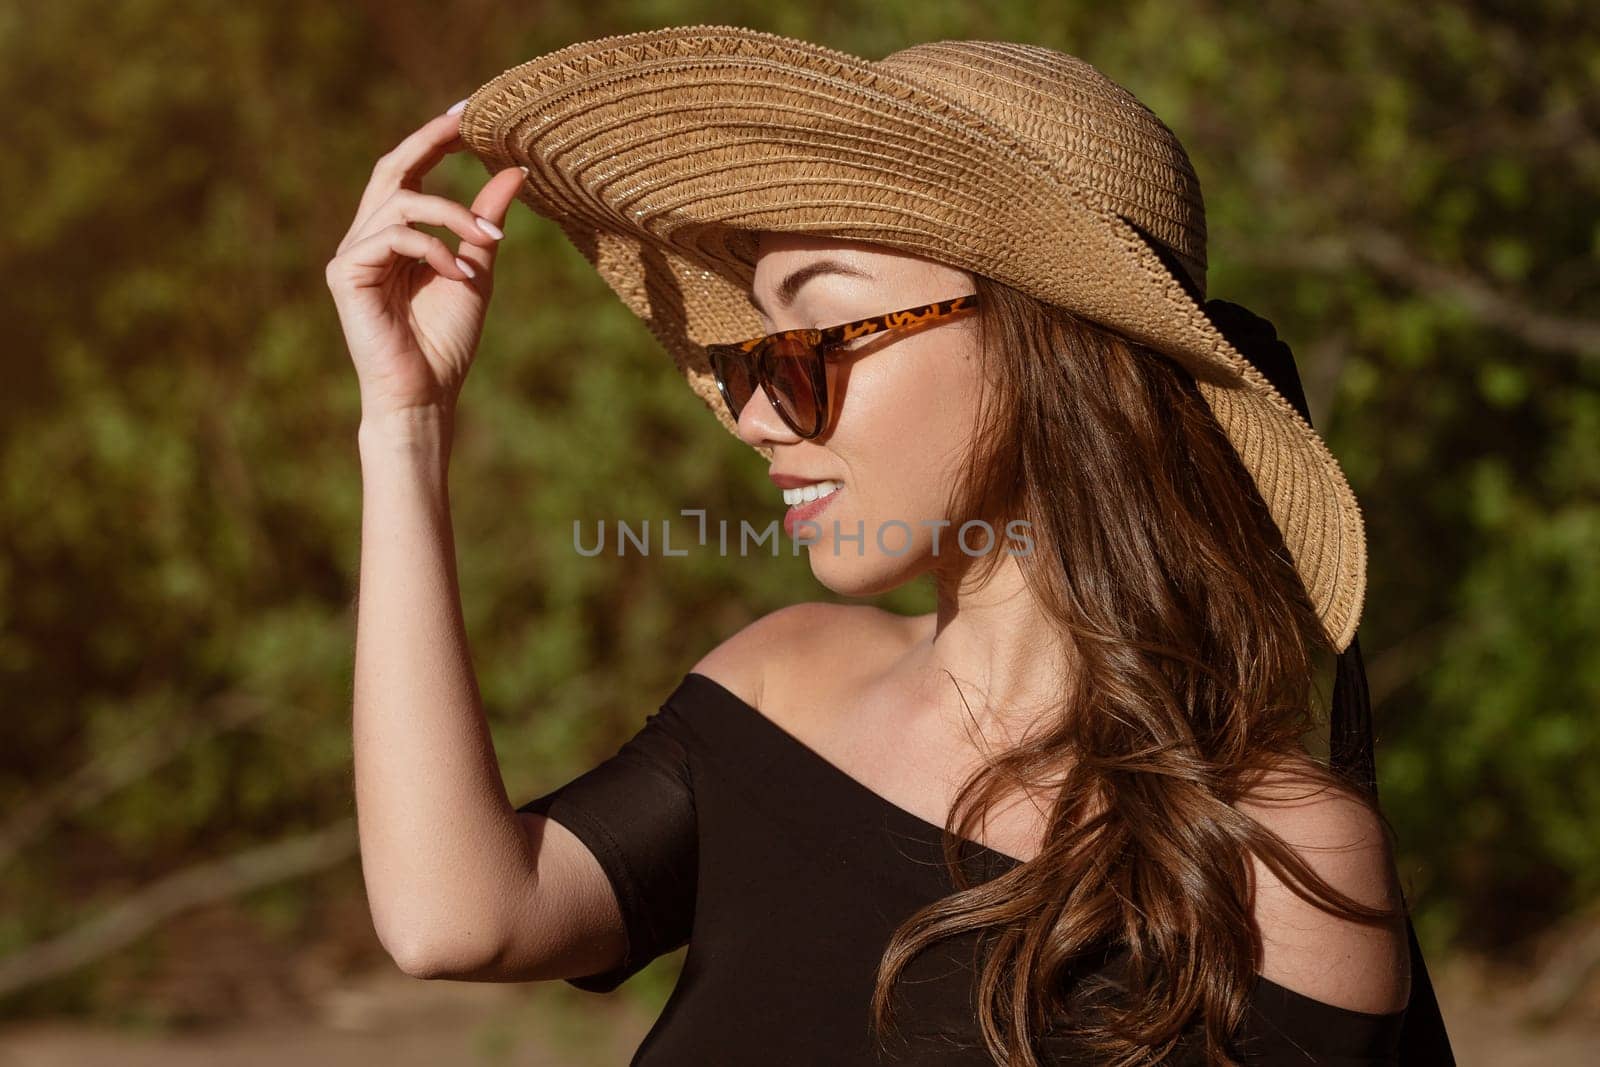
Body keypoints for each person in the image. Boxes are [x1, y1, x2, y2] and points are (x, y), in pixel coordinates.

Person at [328, 26, 1455, 1066]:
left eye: (811, 339)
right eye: (750, 357)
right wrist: (405, 422)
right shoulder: (780, 681)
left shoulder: (1272, 861)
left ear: (1038, 339)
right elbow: (457, 916)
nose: (761, 416)